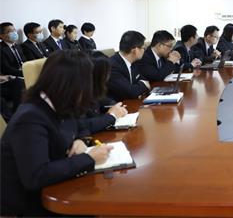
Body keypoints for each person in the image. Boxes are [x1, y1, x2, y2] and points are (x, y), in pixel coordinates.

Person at [0, 50, 113, 216]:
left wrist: (80, 140)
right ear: (71, 85)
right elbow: (36, 176)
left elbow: (77, 126)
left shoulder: (58, 103)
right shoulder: (30, 118)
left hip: (55, 186)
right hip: (31, 202)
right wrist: (89, 158)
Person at [77, 52, 128, 137]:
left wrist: (115, 106)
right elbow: (83, 126)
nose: (108, 76)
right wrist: (112, 116)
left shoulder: (94, 88)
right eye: (106, 72)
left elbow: (103, 100)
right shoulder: (79, 94)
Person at [106, 31, 150, 101]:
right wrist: (143, 85)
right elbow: (130, 92)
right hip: (115, 105)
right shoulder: (113, 66)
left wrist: (138, 88)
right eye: (143, 48)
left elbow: (143, 79)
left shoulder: (133, 62)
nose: (144, 51)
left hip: (129, 102)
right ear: (135, 50)